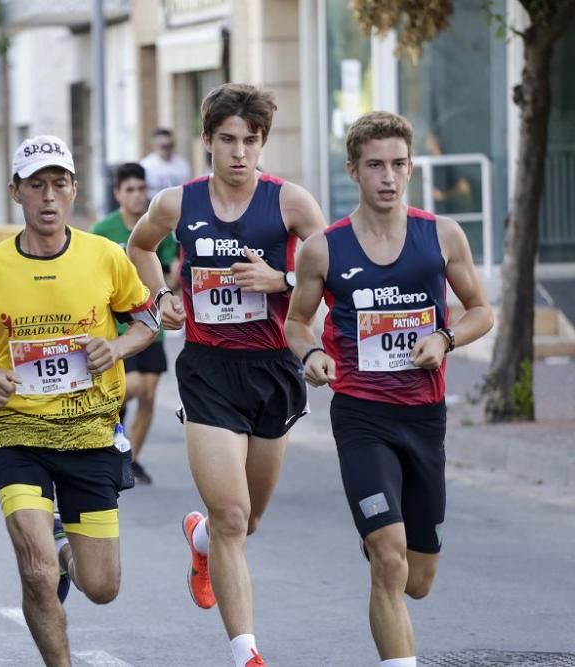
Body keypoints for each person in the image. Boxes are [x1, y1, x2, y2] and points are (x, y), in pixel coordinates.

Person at [0, 135, 159, 667]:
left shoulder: (105, 257)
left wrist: (118, 346)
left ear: (74, 190)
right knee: (35, 571)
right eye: (36, 185)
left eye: (59, 184)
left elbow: (147, 320)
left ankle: (64, 544)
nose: (49, 196)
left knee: (101, 586)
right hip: (18, 432)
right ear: (16, 192)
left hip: (90, 433)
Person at [284, 111, 493, 667]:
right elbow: (296, 322)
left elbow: (481, 310)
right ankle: (381, 550)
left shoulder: (441, 236)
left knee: (418, 579)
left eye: (399, 165)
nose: (388, 178)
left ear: (410, 169)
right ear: (353, 169)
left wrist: (446, 338)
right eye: (375, 165)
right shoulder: (324, 250)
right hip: (361, 416)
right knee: (391, 563)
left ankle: (382, 540)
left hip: (425, 417)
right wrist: (311, 354)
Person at [128, 83, 327, 667]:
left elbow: (335, 272)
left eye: (251, 141)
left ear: (263, 143)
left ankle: (198, 540)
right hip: (208, 369)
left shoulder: (291, 203)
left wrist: (283, 282)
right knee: (232, 517)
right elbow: (140, 248)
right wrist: (161, 293)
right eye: (228, 141)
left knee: (248, 519)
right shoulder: (176, 203)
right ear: (208, 142)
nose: (240, 153)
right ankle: (247, 655)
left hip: (272, 370)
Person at [90, 162, 178, 484]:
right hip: (119, 328)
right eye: (130, 190)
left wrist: (170, 289)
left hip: (151, 325)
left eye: (142, 189)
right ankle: (105, 428)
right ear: (118, 194)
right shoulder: (103, 232)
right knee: (131, 387)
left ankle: (132, 458)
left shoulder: (156, 228)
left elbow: (169, 271)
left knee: (150, 394)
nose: (138, 196)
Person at [139, 128, 193, 199]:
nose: (167, 150)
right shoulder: (146, 165)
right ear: (155, 146)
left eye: (170, 146)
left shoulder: (182, 164)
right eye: (163, 146)